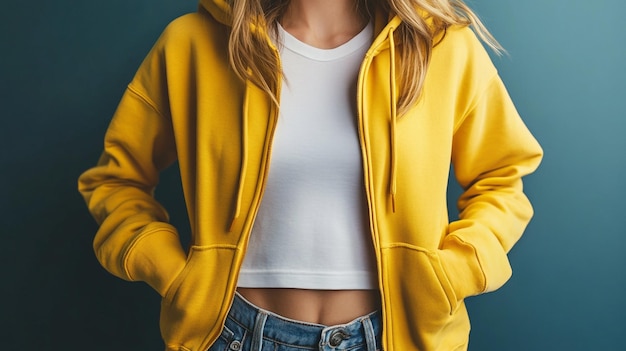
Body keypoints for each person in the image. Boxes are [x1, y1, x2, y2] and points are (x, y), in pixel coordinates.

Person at [78, 0, 543, 350]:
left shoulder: (441, 47)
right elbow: (116, 180)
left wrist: (450, 274)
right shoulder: (192, 44)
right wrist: (174, 274)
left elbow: (503, 177)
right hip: (235, 334)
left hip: (396, 336)